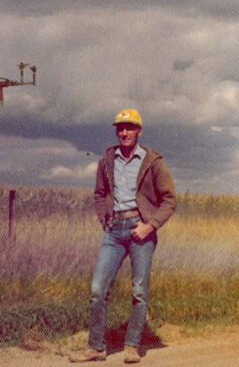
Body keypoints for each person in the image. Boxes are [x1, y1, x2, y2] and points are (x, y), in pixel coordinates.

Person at [71, 109, 177, 364]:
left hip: (141, 230)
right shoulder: (108, 158)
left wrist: (150, 225)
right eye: (120, 128)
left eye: (130, 128)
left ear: (139, 131)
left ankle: (132, 345)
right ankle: (96, 347)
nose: (124, 132)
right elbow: (99, 193)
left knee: (139, 290)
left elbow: (169, 200)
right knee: (97, 289)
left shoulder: (153, 161)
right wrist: (105, 220)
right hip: (114, 231)